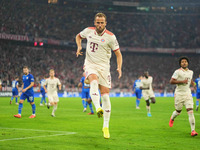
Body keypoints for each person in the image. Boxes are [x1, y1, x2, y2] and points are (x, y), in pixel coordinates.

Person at [75, 12, 122, 139]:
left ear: (105, 23)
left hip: (104, 68)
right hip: (90, 64)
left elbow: (118, 54)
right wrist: (79, 47)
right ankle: (97, 107)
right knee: (93, 81)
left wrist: (119, 67)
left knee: (106, 97)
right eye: (98, 22)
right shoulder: (88, 31)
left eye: (102, 22)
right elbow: (78, 36)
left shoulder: (111, 37)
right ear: (94, 22)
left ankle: (105, 126)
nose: (99, 24)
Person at [169, 56, 198, 136]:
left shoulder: (191, 72)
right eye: (182, 62)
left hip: (187, 93)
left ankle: (193, 131)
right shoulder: (177, 72)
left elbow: (190, 79)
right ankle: (172, 118)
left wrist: (194, 84)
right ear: (180, 64)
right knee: (178, 112)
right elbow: (171, 81)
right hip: (179, 94)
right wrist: (182, 81)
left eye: (185, 61)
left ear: (187, 63)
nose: (184, 63)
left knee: (190, 111)